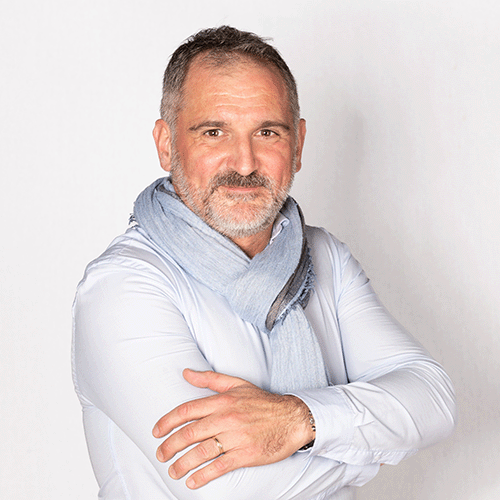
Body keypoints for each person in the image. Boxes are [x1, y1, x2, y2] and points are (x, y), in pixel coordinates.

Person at [72, 26, 456, 500]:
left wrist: (301, 420)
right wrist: (373, 444)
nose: (245, 163)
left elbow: (434, 400)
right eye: (214, 132)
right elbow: (231, 488)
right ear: (167, 144)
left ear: (298, 145)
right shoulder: (122, 287)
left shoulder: (324, 256)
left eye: (267, 132)